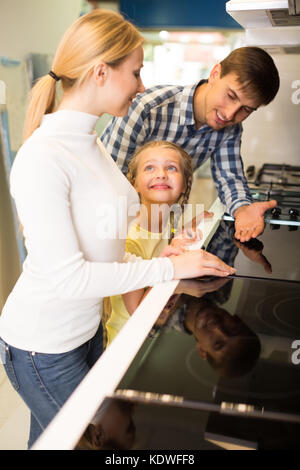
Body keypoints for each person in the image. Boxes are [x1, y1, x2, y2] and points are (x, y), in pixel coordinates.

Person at [0, 9, 234, 448]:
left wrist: (159, 259)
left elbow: (101, 251)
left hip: (87, 333)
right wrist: (167, 269)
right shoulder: (43, 157)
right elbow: (70, 277)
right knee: (111, 445)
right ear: (101, 72)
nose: (142, 85)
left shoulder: (92, 144)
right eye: (136, 72)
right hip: (44, 347)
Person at [101, 46, 280, 243]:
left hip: (160, 232)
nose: (230, 114)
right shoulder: (147, 109)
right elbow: (107, 183)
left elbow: (230, 179)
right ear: (215, 74)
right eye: (231, 96)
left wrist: (242, 209)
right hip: (111, 228)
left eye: (245, 109)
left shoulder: (230, 128)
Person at [106, 140, 212, 345]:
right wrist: (179, 285)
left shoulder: (167, 221)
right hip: (125, 344)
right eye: (150, 167)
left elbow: (163, 246)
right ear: (135, 183)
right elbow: (138, 311)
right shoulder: (129, 239)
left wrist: (187, 229)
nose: (162, 173)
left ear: (185, 184)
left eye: (171, 168)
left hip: (150, 336)